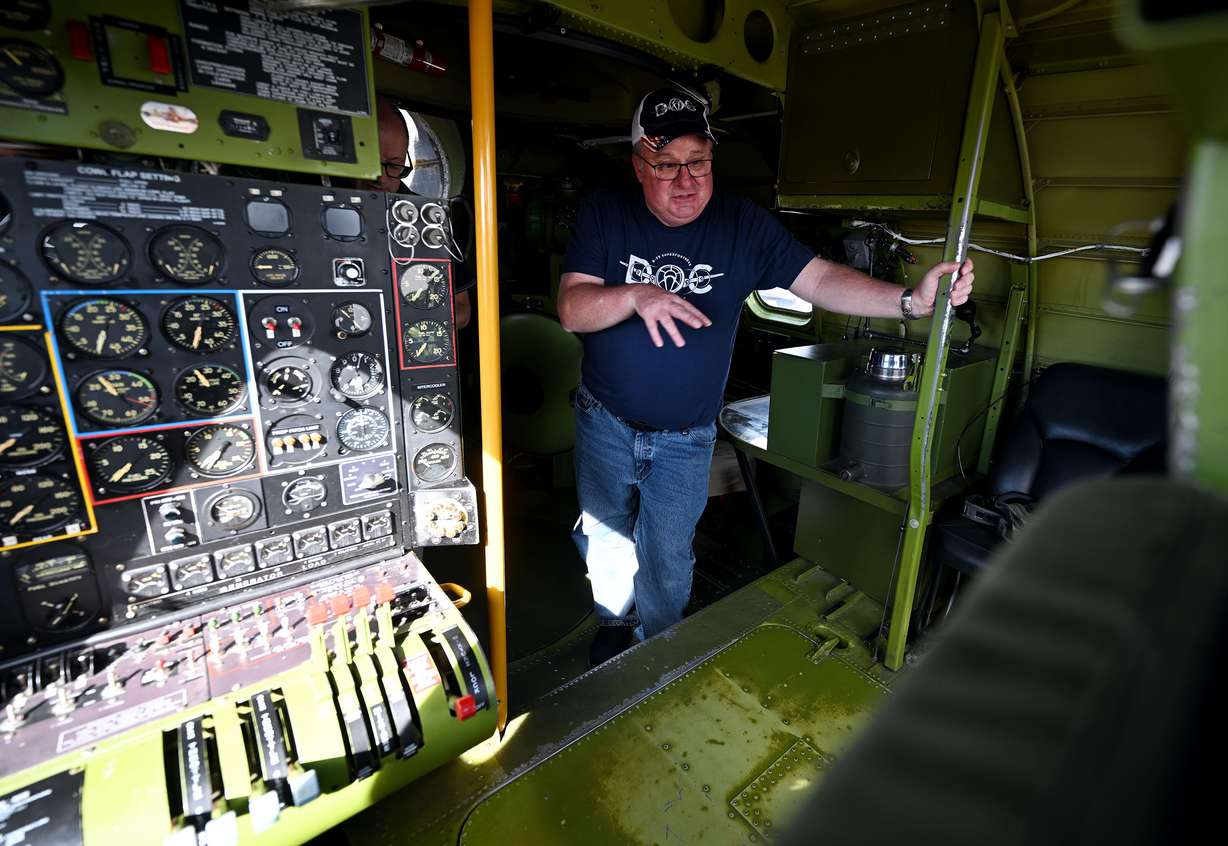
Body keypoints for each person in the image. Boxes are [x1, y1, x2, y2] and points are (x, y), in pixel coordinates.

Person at [558, 86, 974, 666]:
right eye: (667, 165)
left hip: (685, 438)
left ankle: (656, 649)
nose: (686, 181)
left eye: (698, 163)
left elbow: (822, 281)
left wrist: (911, 300)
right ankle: (613, 618)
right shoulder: (606, 214)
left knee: (668, 555)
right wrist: (636, 295)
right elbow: (573, 307)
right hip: (605, 418)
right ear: (638, 165)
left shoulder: (741, 227)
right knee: (605, 531)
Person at [366, 94, 471, 329]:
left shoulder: (428, 219)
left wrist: (405, 318)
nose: (380, 177)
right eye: (369, 162)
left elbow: (462, 311)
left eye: (393, 165)